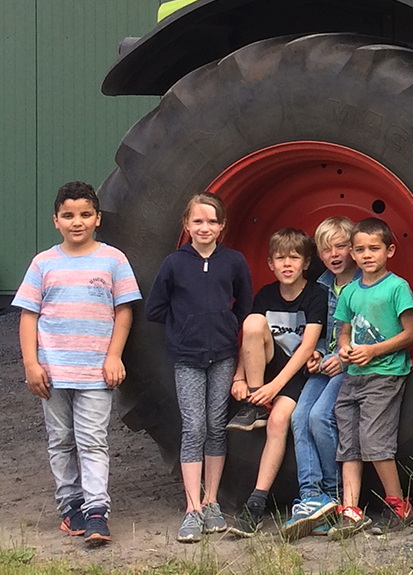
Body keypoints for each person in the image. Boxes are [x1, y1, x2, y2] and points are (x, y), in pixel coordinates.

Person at [14, 182, 141, 546]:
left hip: (95, 373)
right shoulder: (43, 263)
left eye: (85, 214)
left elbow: (124, 311)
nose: (77, 222)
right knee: (61, 440)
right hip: (52, 373)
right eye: (68, 215)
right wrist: (30, 364)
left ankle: (97, 511)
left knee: (93, 441)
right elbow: (28, 316)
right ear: (56, 220)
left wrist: (114, 355)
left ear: (98, 218)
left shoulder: (113, 260)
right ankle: (71, 507)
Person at [145, 192, 253, 543]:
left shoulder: (233, 261)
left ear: (222, 226)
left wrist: (224, 329)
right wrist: (186, 327)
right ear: (186, 225)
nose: (204, 228)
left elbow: (245, 306)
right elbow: (155, 309)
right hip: (188, 358)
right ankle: (192, 507)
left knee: (215, 425)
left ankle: (212, 502)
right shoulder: (174, 264)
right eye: (197, 221)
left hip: (222, 356)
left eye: (211, 222)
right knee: (193, 427)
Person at [225, 228, 325, 537]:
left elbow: (307, 346)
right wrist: (241, 377)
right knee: (253, 321)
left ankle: (256, 502)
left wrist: (276, 387)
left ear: (306, 263)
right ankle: (254, 405)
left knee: (279, 420)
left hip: (295, 374)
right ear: (270, 263)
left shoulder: (316, 295)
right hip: (265, 371)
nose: (287, 264)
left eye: (294, 258)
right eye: (280, 258)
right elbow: (250, 340)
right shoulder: (266, 295)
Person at [327, 217, 413, 539]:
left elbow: (411, 333)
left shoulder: (397, 287)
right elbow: (345, 331)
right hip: (353, 375)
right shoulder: (350, 292)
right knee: (348, 442)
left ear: (389, 251)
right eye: (360, 249)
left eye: (374, 249)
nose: (367, 255)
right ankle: (350, 509)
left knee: (375, 441)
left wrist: (375, 351)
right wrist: (344, 350)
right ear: (352, 253)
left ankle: (399, 505)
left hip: (384, 374)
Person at [282, 216, 358, 539]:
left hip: (350, 365)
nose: (334, 254)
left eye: (341, 246)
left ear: (353, 249)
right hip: (325, 362)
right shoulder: (325, 284)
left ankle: (333, 493)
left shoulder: (363, 284)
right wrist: (314, 355)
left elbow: (370, 331)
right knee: (299, 416)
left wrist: (340, 358)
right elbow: (325, 331)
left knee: (319, 417)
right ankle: (310, 495)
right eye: (327, 249)